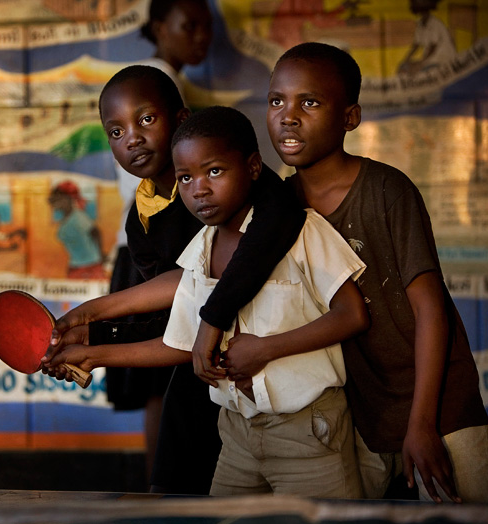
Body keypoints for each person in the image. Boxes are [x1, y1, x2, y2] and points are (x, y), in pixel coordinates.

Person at [45, 106, 369, 498]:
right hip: (236, 433)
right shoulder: (201, 247)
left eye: (214, 171)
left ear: (252, 167)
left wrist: (265, 349)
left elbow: (352, 314)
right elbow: (177, 344)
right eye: (185, 178)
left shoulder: (301, 230)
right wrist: (93, 353)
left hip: (307, 430)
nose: (199, 188)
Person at [255, 41, 488, 503]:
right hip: (357, 414)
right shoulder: (279, 208)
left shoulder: (387, 190)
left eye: (310, 102)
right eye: (276, 101)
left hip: (439, 405)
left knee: (469, 515)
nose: (288, 116)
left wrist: (422, 423)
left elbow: (430, 311)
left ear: (350, 117)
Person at [104, 0, 214, 485]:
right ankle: (162, 485)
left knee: (173, 372)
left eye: (205, 28)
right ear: (156, 27)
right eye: (188, 26)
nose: (200, 37)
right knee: (165, 373)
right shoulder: (152, 76)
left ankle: (166, 485)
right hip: (159, 241)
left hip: (173, 240)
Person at [48, 181, 105, 279]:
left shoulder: (78, 217)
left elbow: (95, 232)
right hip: (75, 266)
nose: (56, 204)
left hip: (90, 267)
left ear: (68, 199)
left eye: (59, 200)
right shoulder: (63, 219)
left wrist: (100, 255)